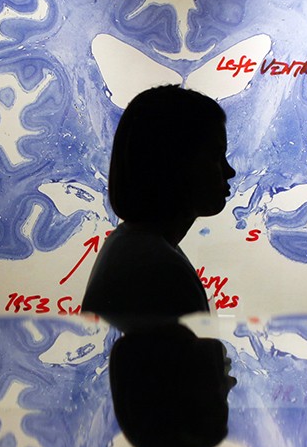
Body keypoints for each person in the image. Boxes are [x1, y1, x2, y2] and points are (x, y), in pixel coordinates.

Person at [82, 85, 235, 331]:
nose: (229, 171)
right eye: (216, 155)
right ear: (175, 164)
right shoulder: (158, 270)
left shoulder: (138, 248)